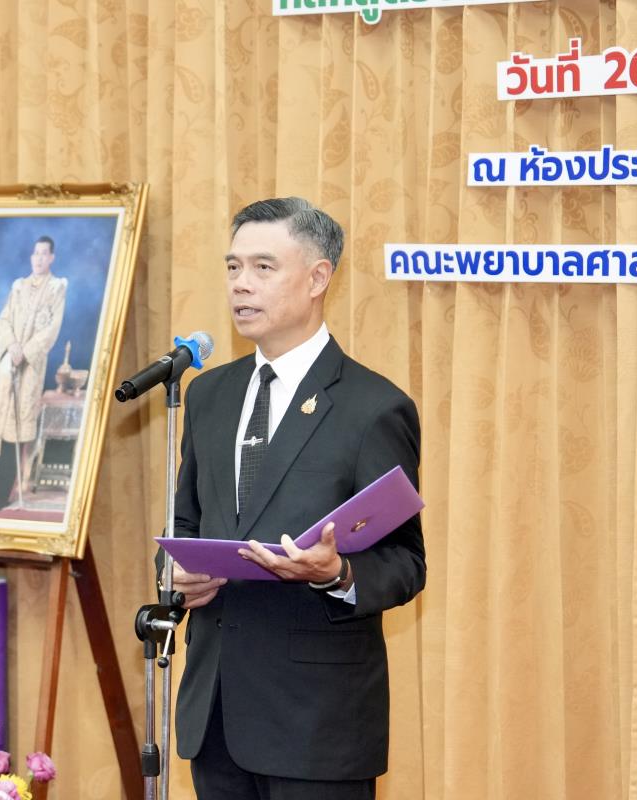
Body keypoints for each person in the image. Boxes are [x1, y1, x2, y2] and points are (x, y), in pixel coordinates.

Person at [168, 198, 425, 799]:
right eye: (233, 267)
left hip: (318, 725)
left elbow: (406, 563)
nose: (241, 284)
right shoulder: (208, 395)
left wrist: (337, 574)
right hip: (215, 714)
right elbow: (185, 522)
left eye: (263, 267)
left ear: (317, 278)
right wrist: (174, 575)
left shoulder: (373, 407)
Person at [0, 236, 67, 512]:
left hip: (30, 368)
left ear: (51, 257)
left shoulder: (56, 288)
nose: (39, 258)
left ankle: (4, 493)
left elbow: (51, 329)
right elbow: (4, 319)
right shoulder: (18, 286)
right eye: (36, 253)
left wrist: (26, 351)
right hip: (10, 363)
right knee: (4, 427)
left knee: (16, 432)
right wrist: (12, 346)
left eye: (44, 253)